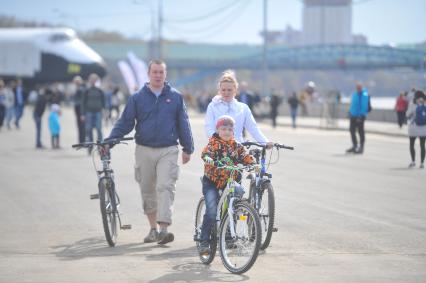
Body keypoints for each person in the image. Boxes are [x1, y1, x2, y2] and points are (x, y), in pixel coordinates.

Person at [106, 59, 194, 245]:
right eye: (155, 72)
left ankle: (163, 229)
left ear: (165, 74)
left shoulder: (175, 97)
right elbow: (125, 123)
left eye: (161, 72)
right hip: (144, 149)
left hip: (168, 149)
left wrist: (188, 148)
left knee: (165, 187)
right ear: (148, 73)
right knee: (147, 190)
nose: (158, 75)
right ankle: (153, 229)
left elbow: (183, 124)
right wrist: (110, 141)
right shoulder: (137, 98)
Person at [198, 115, 254, 256]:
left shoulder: (237, 146)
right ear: (218, 130)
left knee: (235, 203)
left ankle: (229, 235)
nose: (227, 131)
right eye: (223, 128)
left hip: (229, 180)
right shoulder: (213, 143)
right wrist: (210, 159)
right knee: (211, 210)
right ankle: (204, 241)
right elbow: (205, 154)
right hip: (211, 181)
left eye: (230, 129)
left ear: (233, 131)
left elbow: (246, 157)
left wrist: (252, 163)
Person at [204, 70, 273, 148]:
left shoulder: (243, 108)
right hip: (218, 149)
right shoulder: (213, 106)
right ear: (219, 90)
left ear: (235, 90)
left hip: (238, 150)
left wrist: (265, 142)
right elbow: (208, 127)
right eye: (223, 90)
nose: (226, 92)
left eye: (229, 90)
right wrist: (218, 141)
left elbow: (253, 128)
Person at [81, 73, 105, 147]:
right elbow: (83, 103)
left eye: (95, 80)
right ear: (89, 81)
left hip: (98, 112)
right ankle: (90, 145)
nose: (93, 81)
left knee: (98, 129)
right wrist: (82, 114)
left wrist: (104, 111)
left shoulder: (100, 91)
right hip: (89, 112)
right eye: (92, 80)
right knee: (89, 129)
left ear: (97, 81)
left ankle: (100, 145)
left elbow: (103, 102)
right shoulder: (86, 91)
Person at [346, 83, 370, 154]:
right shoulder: (355, 94)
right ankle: (355, 145)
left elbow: (364, 106)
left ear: (362, 88)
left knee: (360, 131)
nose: (358, 89)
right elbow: (352, 104)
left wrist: (361, 115)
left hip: (360, 116)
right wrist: (350, 112)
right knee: (351, 130)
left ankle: (361, 147)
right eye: (357, 88)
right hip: (353, 115)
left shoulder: (364, 95)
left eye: (359, 88)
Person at [406, 90, 426, 169]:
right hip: (424, 128)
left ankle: (413, 161)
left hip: (413, 128)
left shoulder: (413, 104)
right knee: (422, 145)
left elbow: (407, 114)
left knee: (412, 144)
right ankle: (422, 163)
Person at [72, 76, 86, 143]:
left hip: (81, 110)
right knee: (80, 127)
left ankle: (82, 141)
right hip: (78, 110)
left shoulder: (81, 89)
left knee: (82, 127)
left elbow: (81, 101)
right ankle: (81, 141)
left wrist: (82, 113)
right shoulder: (79, 88)